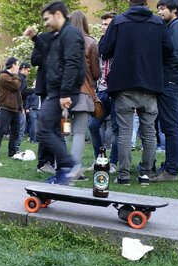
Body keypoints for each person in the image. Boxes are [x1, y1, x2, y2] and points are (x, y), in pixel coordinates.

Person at [99, 0, 174, 185]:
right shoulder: (157, 23)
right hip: (150, 84)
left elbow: (104, 49)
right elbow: (169, 49)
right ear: (146, 2)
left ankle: (123, 175)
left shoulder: (119, 22)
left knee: (125, 131)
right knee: (149, 132)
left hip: (124, 84)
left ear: (129, 2)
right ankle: (146, 173)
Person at [36, 1, 85, 184]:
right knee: (54, 130)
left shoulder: (71, 34)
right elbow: (48, 56)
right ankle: (64, 171)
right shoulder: (59, 36)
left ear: (58, 15)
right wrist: (35, 38)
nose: (45, 23)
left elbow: (72, 64)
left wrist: (65, 93)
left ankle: (70, 165)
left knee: (43, 128)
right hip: (56, 91)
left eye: (47, 19)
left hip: (62, 92)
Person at [151, 0, 178, 182]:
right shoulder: (173, 26)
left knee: (171, 128)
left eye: (162, 8)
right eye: (158, 8)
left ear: (174, 9)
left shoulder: (177, 26)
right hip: (172, 82)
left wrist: (162, 78)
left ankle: (171, 171)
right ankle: (168, 167)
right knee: (169, 127)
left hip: (171, 82)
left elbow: (173, 55)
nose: (159, 11)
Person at [68, 10, 100, 181]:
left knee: (64, 132)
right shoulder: (90, 42)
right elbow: (96, 73)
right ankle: (73, 171)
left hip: (63, 95)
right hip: (82, 93)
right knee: (79, 132)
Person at [88, 12, 118, 174]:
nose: (103, 26)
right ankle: (98, 158)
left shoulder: (120, 42)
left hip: (116, 92)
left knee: (116, 128)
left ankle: (113, 162)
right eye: (103, 24)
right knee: (93, 125)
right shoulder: (100, 42)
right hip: (101, 91)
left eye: (106, 24)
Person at [23, 28, 55, 174]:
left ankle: (52, 161)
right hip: (48, 87)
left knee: (59, 126)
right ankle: (44, 162)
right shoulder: (42, 37)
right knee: (48, 124)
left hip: (61, 87)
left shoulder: (67, 36)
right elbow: (35, 60)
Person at [0, 57, 22, 159]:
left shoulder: (12, 76)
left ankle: (12, 152)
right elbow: (16, 86)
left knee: (15, 131)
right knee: (2, 130)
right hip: (6, 107)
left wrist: (20, 106)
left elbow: (18, 92)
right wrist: (16, 74)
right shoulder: (4, 76)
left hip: (15, 108)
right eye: (17, 65)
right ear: (13, 65)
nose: (18, 67)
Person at [15, 62, 32, 152]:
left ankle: (13, 147)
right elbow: (21, 92)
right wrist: (32, 90)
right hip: (20, 107)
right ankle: (16, 147)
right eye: (28, 70)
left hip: (15, 106)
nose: (28, 73)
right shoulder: (22, 79)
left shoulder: (16, 77)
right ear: (23, 69)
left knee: (15, 128)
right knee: (21, 128)